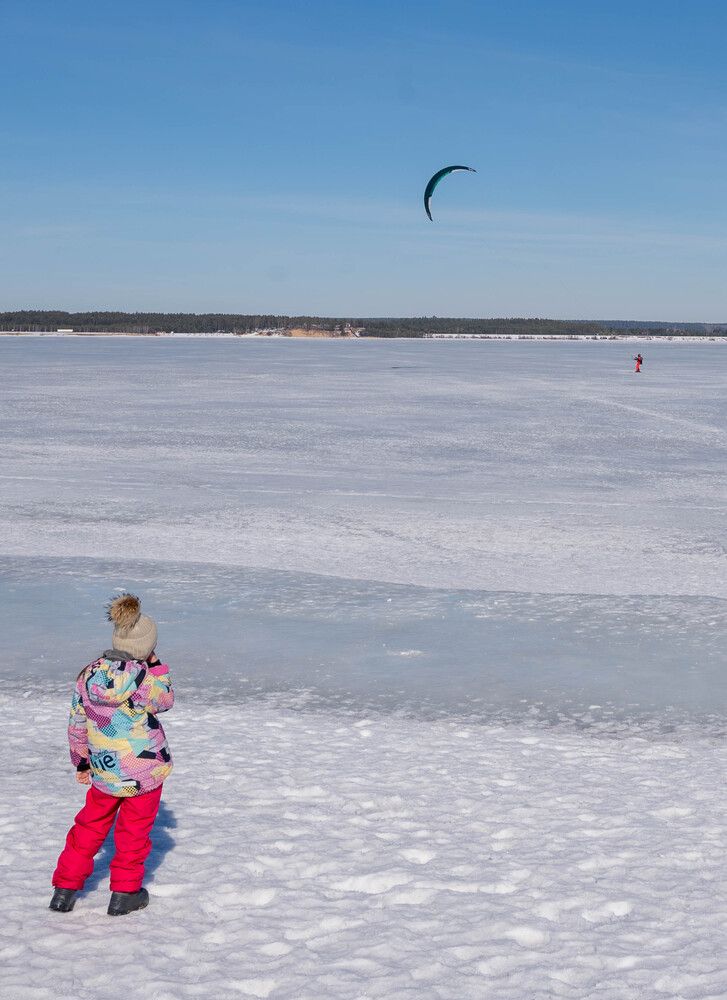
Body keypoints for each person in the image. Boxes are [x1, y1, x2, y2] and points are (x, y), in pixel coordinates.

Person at [49, 594, 174, 916]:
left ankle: (64, 890)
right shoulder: (144, 678)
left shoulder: (88, 674)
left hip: (104, 770)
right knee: (133, 833)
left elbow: (77, 722)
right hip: (144, 772)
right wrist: (157, 667)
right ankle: (124, 894)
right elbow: (166, 700)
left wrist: (81, 760)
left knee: (89, 827)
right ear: (146, 647)